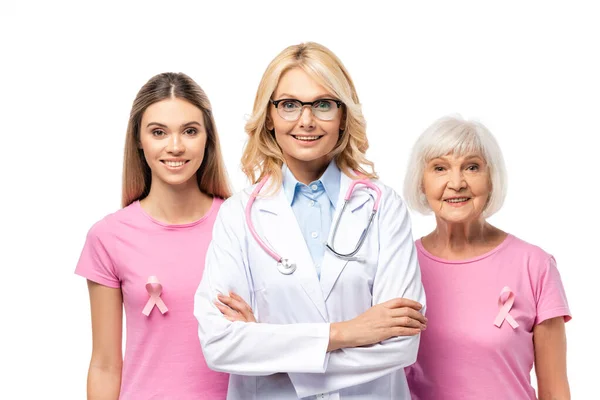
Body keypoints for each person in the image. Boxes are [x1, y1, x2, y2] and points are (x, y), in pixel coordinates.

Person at [194, 42, 426, 400]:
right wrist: (348, 332)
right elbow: (220, 343)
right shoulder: (239, 215)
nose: (306, 120)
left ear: (343, 116)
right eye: (288, 105)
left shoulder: (383, 208)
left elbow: (400, 343)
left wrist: (268, 348)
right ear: (269, 117)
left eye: (323, 104)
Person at [75, 72, 231, 399]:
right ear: (138, 139)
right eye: (159, 132)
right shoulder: (108, 237)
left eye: (190, 131)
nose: (175, 147)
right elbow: (104, 364)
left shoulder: (241, 225)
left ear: (208, 138)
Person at [403, 115, 571, 399]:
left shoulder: (535, 265)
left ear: (491, 180)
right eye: (440, 168)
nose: (456, 183)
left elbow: (555, 391)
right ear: (421, 183)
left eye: (472, 167)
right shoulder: (400, 264)